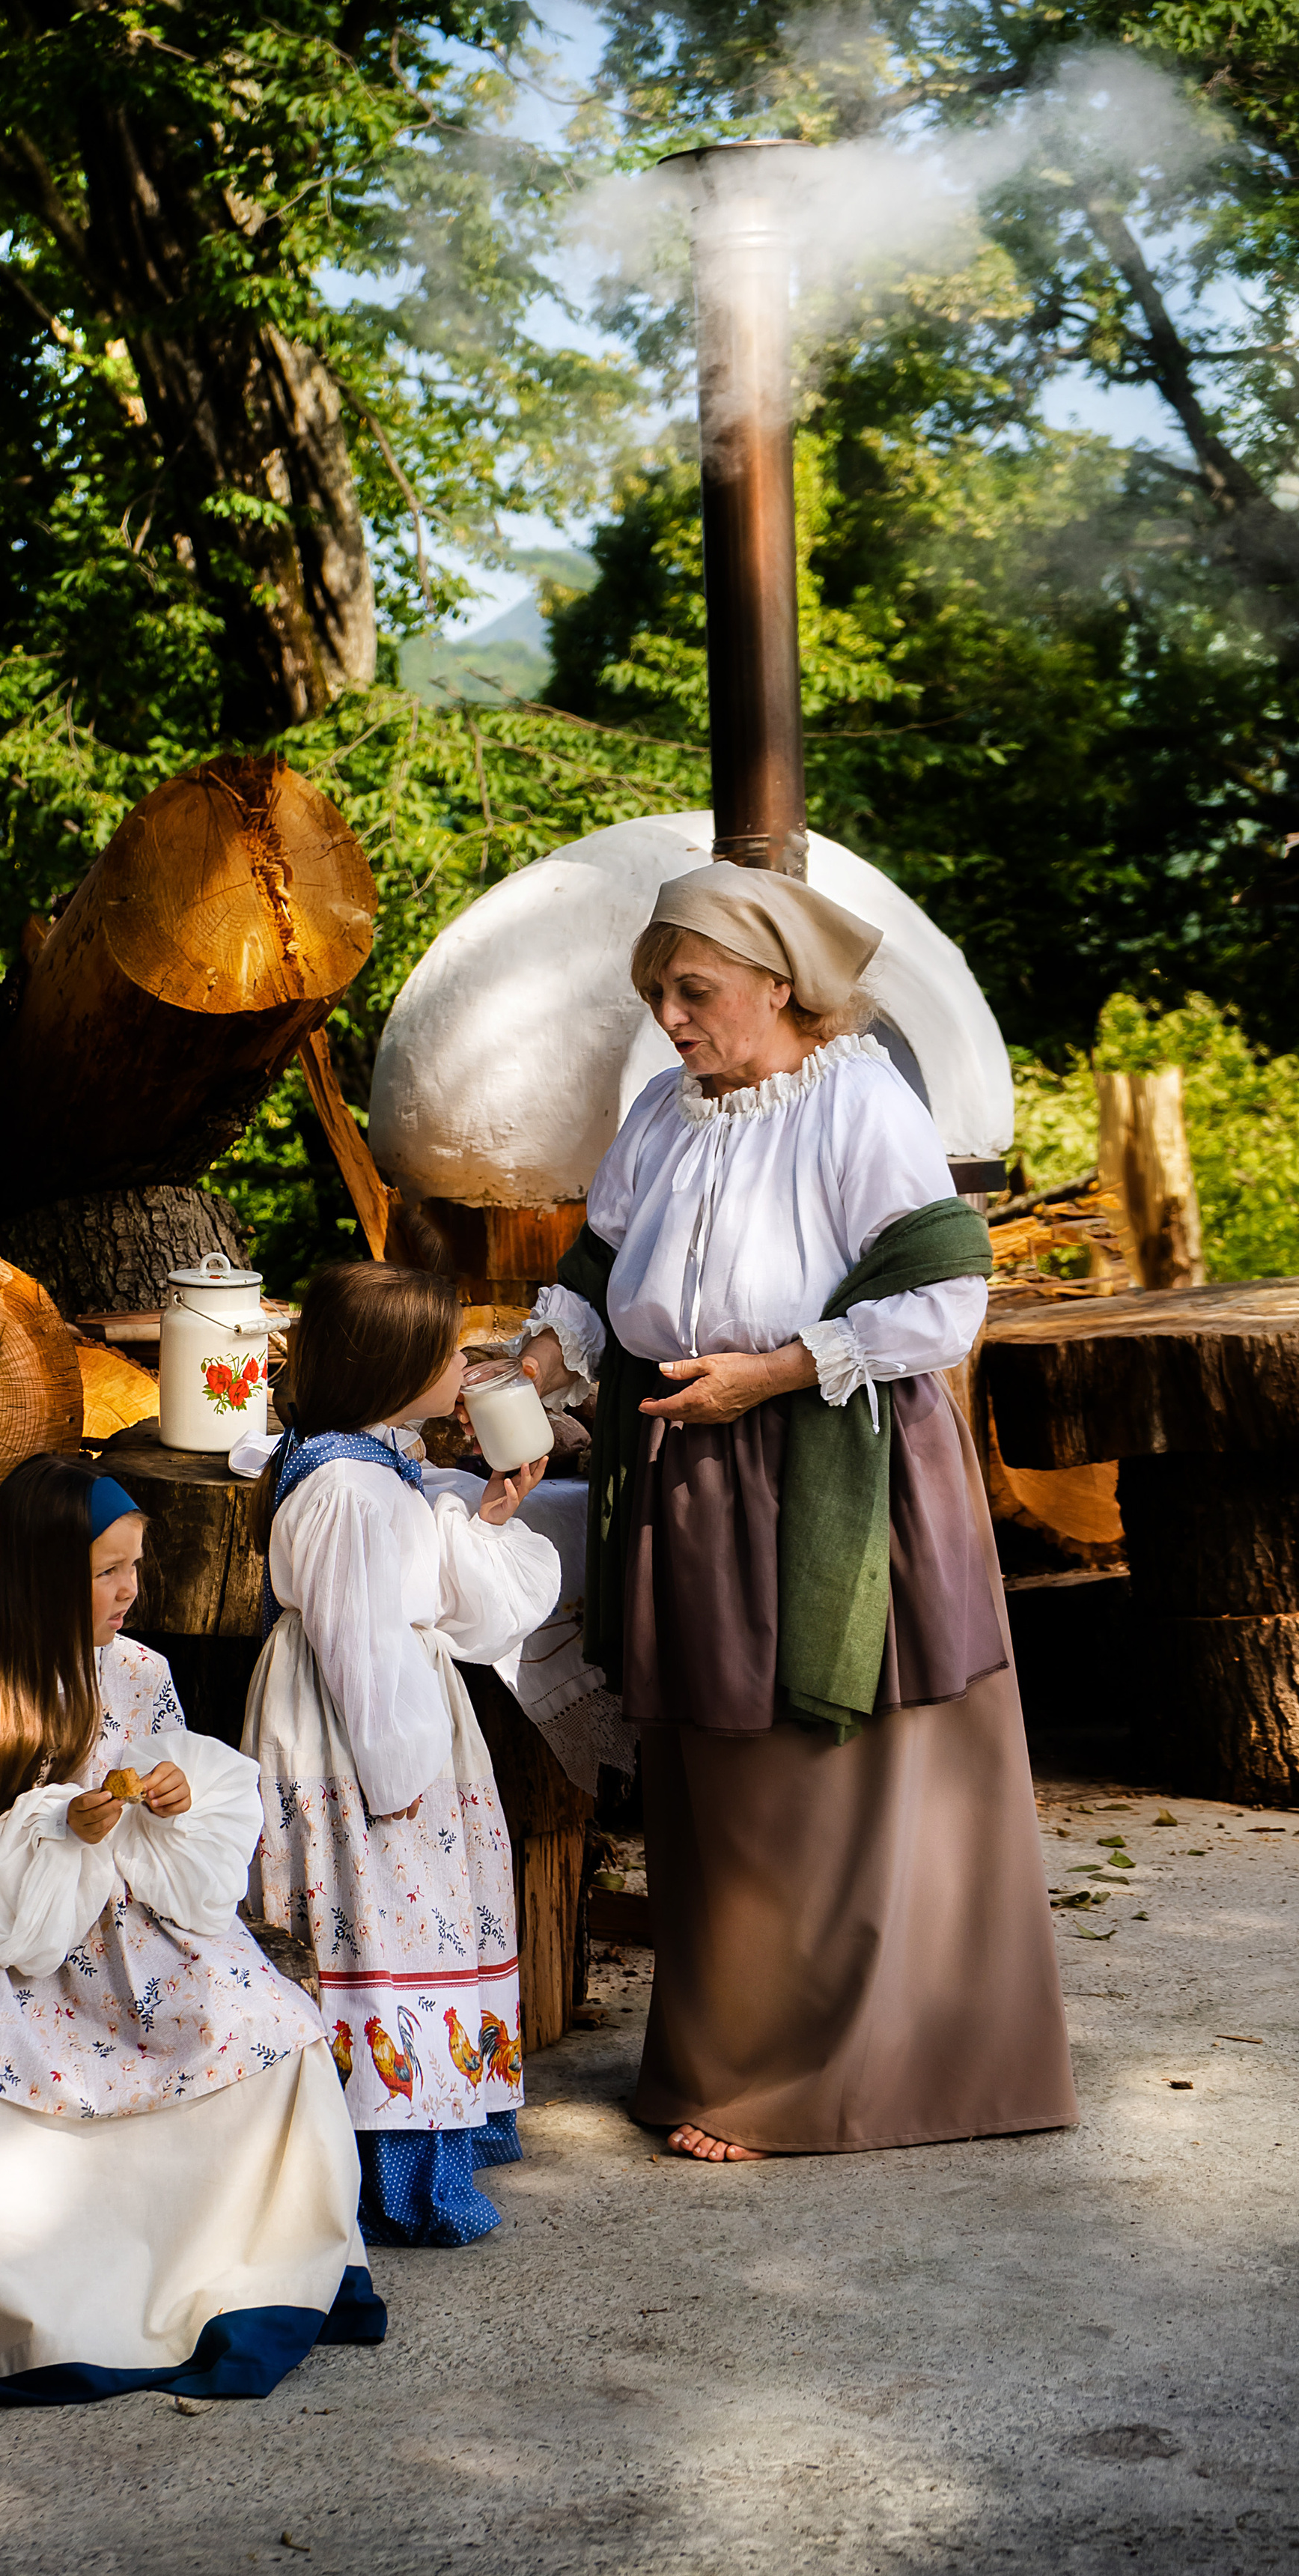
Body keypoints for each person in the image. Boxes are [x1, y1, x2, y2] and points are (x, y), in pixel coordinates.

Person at [514, 860, 1077, 2162]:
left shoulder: (858, 1102)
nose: (671, 1016)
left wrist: (773, 1372)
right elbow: (599, 1269)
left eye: (695, 990)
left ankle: (817, 2084)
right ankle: (730, 2056)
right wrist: (536, 1365)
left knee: (824, 1776)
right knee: (716, 1777)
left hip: (830, 1461)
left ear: (779, 984)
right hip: (690, 1458)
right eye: (658, 991)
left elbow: (945, 1295)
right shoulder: (665, 1110)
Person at [0, 1453, 383, 2409]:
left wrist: (171, 1796)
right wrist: (59, 1823)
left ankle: (241, 2269)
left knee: (272, 2034)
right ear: (39, 1580)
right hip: (7, 1953)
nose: (130, 1589)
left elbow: (182, 1786)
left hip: (141, 1932)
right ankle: (38, 2314)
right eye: (105, 1571)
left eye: (135, 1565)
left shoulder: (141, 1673)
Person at [238, 1263, 562, 2247]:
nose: (467, 1365)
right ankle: (394, 2174)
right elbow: (363, 1645)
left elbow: (446, 1609)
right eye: (451, 1350)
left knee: (412, 1928)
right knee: (381, 1926)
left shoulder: (381, 1466)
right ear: (395, 1365)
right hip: (363, 1736)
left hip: (402, 1712)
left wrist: (492, 1515)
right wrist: (398, 1780)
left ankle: (425, 2135)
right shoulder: (348, 1489)